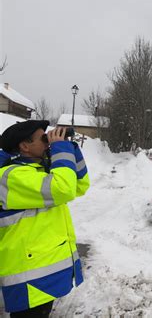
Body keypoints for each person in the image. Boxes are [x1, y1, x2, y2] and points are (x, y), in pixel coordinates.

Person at [0, 120, 90, 317]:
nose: (48, 142)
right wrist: (60, 148)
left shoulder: (40, 172)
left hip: (39, 274)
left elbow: (79, 185)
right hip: (27, 277)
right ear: (24, 146)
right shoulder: (11, 176)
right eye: (43, 138)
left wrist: (69, 148)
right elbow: (63, 188)